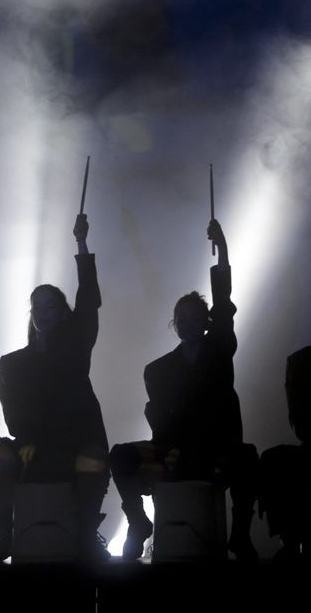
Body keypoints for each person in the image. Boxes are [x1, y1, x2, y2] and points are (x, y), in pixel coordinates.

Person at [110, 219, 258, 560]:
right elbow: (159, 419)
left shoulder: (220, 349)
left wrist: (221, 249)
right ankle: (138, 521)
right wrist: (170, 447)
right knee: (120, 455)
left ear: (206, 321)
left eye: (196, 318)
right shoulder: (158, 370)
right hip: (172, 450)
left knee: (247, 458)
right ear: (175, 325)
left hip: (216, 449)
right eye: (182, 320)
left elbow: (223, 301)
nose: (189, 325)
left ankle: (239, 534)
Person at [0, 213, 110, 563]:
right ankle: (6, 529)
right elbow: (12, 413)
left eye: (51, 305)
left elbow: (88, 301)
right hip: (31, 448)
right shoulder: (13, 362)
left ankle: (85, 533)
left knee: (94, 458)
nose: (43, 311)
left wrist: (81, 245)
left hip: (77, 446)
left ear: (63, 313)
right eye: (37, 305)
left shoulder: (77, 348)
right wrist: (27, 441)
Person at [258, 346, 309, 562]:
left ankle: (289, 542)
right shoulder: (300, 362)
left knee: (276, 460)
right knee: (275, 460)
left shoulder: (300, 362)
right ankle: (290, 542)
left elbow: (300, 423)